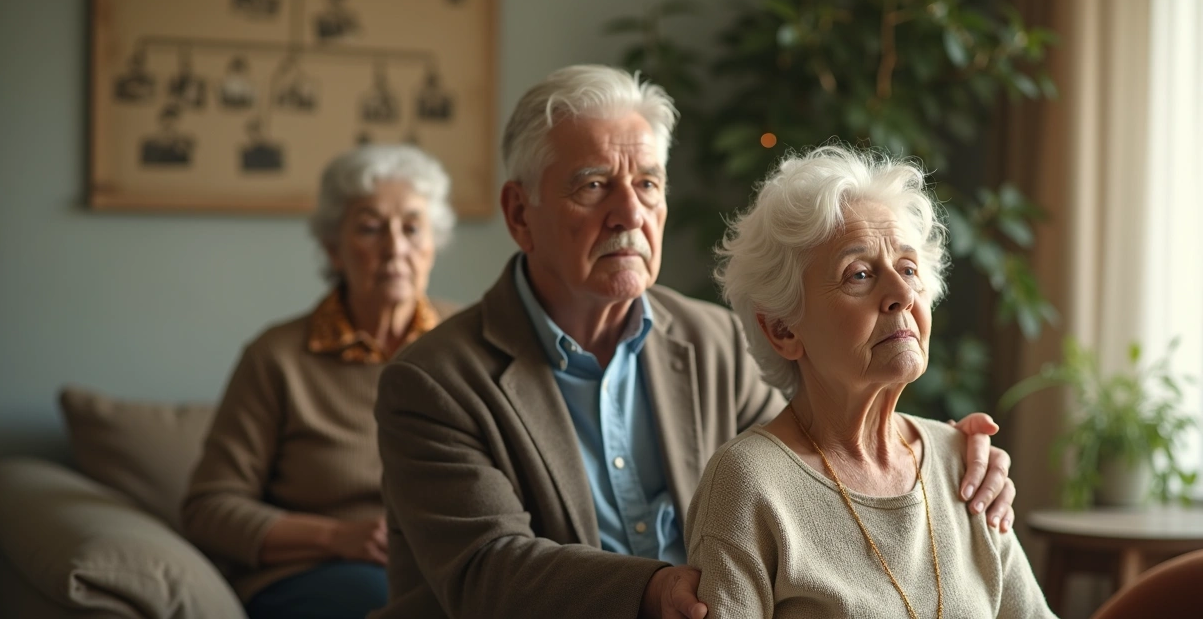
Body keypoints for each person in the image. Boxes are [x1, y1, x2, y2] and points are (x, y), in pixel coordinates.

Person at [372, 65, 1016, 619]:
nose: (629, 212)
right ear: (520, 214)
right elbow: (488, 570)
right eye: (594, 185)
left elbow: (820, 460)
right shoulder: (432, 381)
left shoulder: (714, 339)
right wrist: (649, 592)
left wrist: (937, 460)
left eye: (648, 183)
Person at [685, 146, 1051, 618]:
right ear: (783, 329)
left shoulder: (964, 463)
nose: (901, 294)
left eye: (909, 269)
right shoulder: (748, 484)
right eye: (858, 274)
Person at [181, 144, 456, 619]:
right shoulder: (278, 357)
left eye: (412, 227)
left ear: (434, 243)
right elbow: (208, 508)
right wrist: (337, 537)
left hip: (453, 564)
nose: (395, 247)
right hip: (320, 573)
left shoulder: (470, 342)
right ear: (334, 248)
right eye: (370, 227)